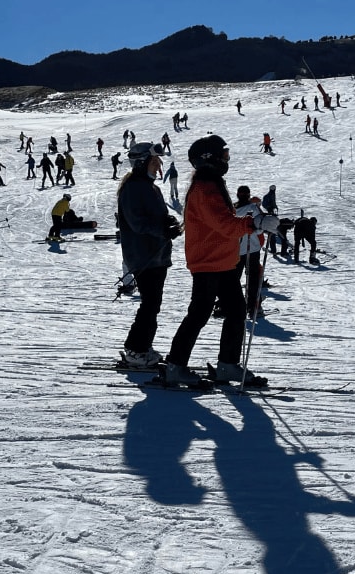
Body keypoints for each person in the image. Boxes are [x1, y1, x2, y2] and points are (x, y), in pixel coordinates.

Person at [163, 135, 280, 386]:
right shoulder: (205, 188)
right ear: (210, 158)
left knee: (236, 311)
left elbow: (225, 223)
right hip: (207, 262)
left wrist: (253, 223)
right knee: (199, 314)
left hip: (223, 261)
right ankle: (175, 366)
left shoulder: (212, 184)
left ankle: (227, 364)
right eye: (224, 154)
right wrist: (255, 223)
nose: (227, 158)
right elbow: (224, 224)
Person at [117, 142, 179, 368]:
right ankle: (135, 349)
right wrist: (162, 229)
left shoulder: (149, 187)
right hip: (144, 256)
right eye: (155, 161)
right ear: (142, 162)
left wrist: (168, 222)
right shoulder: (134, 187)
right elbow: (137, 222)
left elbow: (152, 217)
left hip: (155, 254)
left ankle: (141, 345)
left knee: (152, 304)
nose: (159, 165)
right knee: (150, 304)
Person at [234, 186, 264, 317]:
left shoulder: (233, 208)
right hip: (252, 248)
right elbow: (260, 227)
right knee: (253, 278)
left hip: (236, 249)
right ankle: (253, 306)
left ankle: (233, 305)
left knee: (234, 278)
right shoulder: (253, 208)